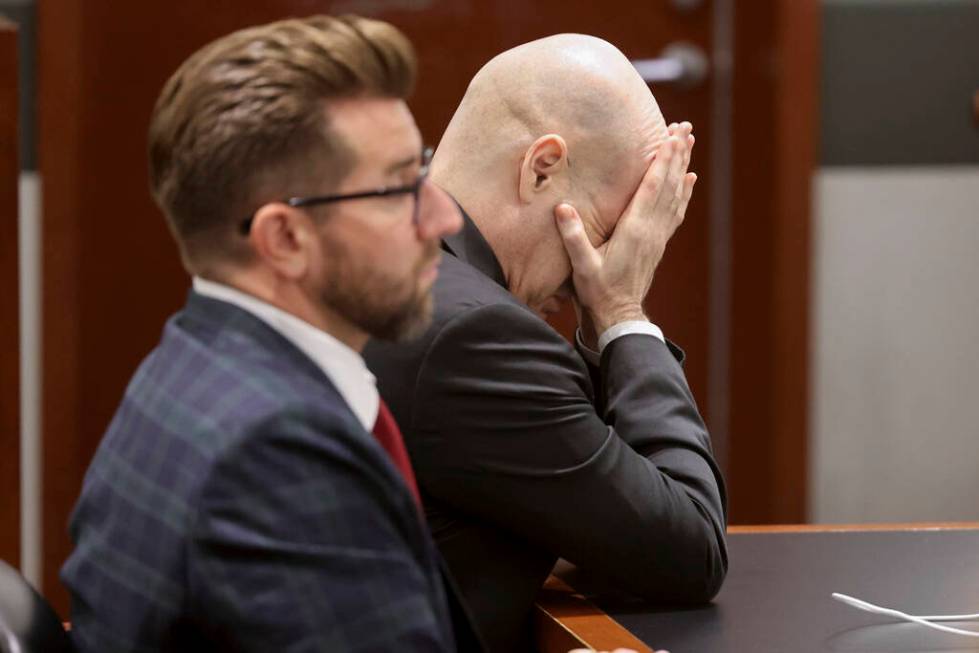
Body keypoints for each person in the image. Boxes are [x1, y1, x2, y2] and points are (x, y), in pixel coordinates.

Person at [60, 15, 482, 652]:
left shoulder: (184, 364)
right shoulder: (279, 457)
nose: (444, 216)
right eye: (400, 188)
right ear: (284, 239)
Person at [364, 34, 728, 652]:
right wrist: (620, 312)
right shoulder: (472, 335)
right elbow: (688, 550)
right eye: (609, 229)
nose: (605, 260)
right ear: (541, 168)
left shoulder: (380, 255)